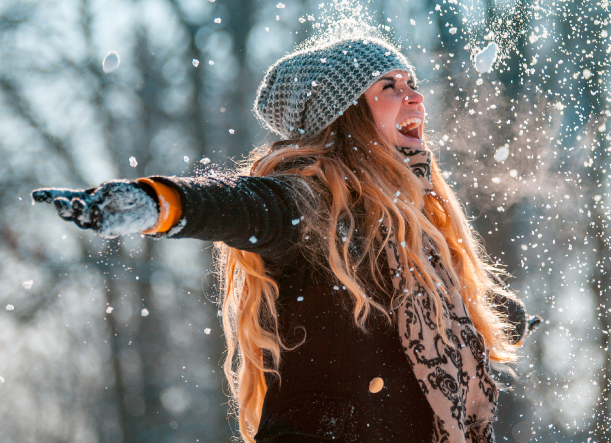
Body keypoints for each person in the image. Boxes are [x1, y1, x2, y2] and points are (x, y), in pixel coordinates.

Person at [32, 35, 539, 443]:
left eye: (412, 82)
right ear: (347, 114)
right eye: (389, 86)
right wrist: (156, 203)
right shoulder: (310, 203)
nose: (415, 96)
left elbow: (431, 308)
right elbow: (235, 203)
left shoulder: (415, 224)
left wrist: (498, 319)